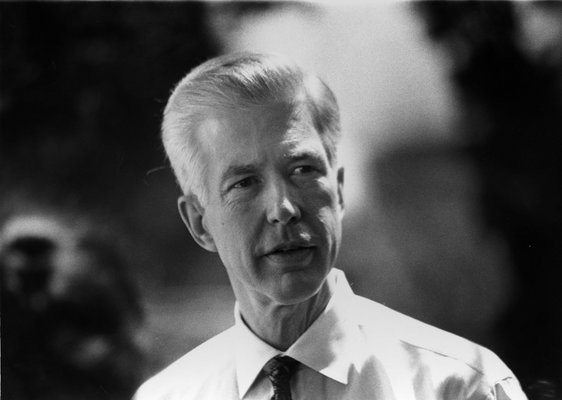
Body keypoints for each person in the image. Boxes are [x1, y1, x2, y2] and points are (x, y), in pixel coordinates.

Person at [134, 52, 527, 400]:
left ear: (338, 190)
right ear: (199, 222)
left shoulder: (459, 386)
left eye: (303, 170)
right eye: (244, 183)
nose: (283, 208)